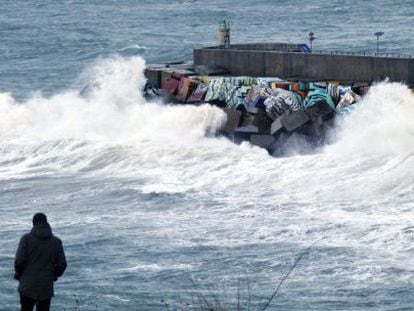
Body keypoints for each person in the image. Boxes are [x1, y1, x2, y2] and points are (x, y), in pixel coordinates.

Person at [14, 213, 67, 311]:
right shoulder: (56, 242)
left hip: (27, 286)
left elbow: (19, 262)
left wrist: (18, 275)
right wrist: (54, 275)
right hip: (46, 286)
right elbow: (62, 264)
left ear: (33, 223)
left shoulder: (26, 239)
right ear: (46, 222)